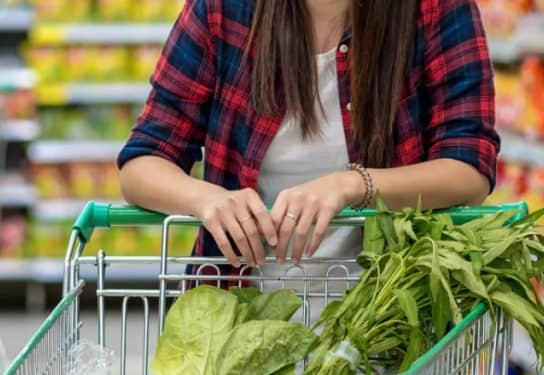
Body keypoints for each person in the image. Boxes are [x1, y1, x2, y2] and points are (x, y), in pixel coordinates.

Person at [118, 0, 499, 269]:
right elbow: (143, 161)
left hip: (388, 325)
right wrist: (205, 198)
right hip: (240, 323)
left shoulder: (435, 9)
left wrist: (353, 184)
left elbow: (469, 168)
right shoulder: (223, 10)